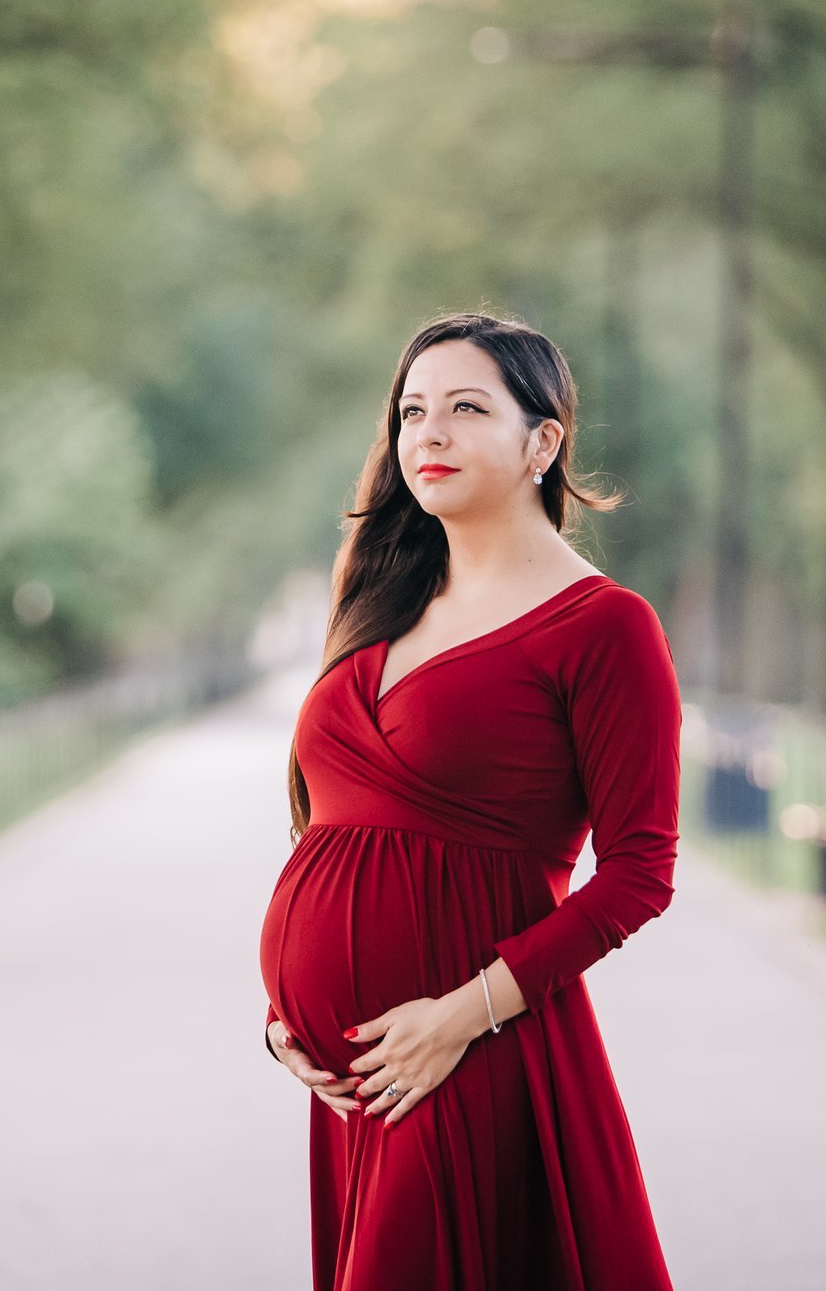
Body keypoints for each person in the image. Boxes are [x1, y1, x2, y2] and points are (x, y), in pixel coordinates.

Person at [258, 311, 682, 1291]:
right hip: (356, 1087)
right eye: (411, 411)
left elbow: (637, 875)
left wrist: (458, 1015)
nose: (428, 434)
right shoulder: (380, 601)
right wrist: (284, 1020)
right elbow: (334, 827)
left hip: (469, 1054)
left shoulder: (605, 627)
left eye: (464, 407)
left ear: (544, 440)